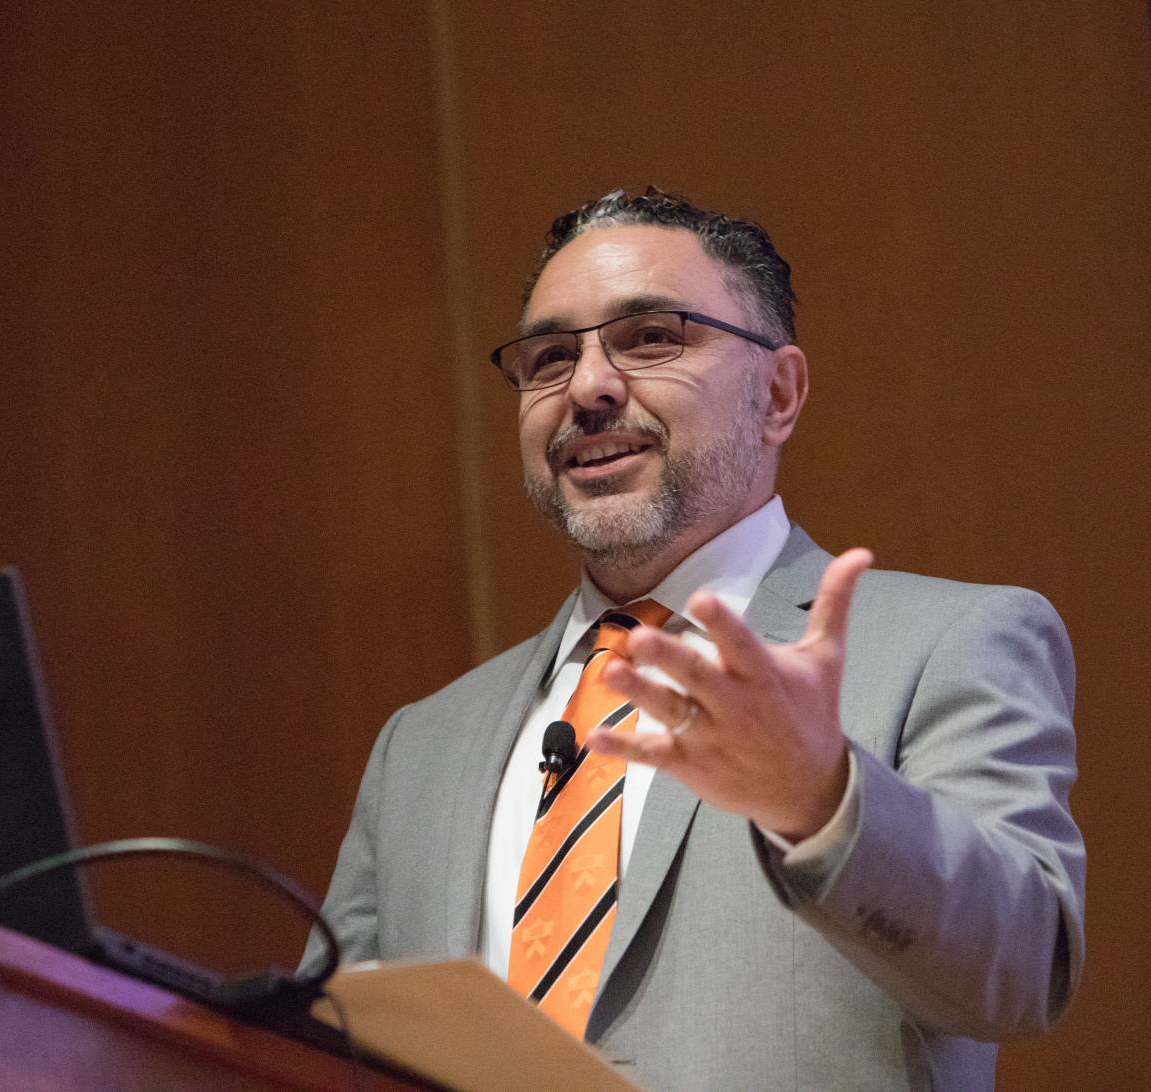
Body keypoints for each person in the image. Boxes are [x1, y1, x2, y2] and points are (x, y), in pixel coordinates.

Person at [309, 187, 1084, 1090]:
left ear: (778, 392)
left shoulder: (948, 642)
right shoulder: (422, 745)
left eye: (651, 338)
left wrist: (823, 801)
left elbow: (1025, 972)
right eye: (551, 358)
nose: (589, 388)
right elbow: (319, 1050)